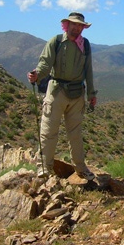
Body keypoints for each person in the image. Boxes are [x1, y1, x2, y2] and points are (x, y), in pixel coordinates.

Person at [27, 12, 97, 180]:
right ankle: (44, 167)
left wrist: (91, 94)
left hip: (77, 93)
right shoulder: (56, 42)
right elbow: (45, 63)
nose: (77, 28)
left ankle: (80, 168)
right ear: (67, 25)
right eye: (74, 24)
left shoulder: (85, 45)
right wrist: (37, 74)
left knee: (75, 134)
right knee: (49, 131)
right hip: (56, 91)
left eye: (80, 25)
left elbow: (88, 71)